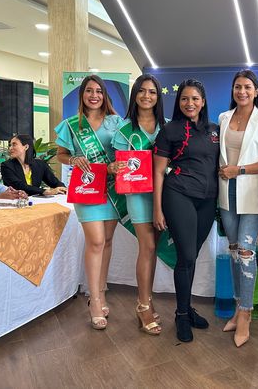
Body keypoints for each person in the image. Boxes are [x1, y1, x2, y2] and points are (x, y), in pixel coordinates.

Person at [55, 75, 126, 330]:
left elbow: (125, 150)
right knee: (95, 241)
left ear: (104, 95)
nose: (94, 96)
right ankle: (94, 299)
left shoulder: (116, 122)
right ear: (82, 95)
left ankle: (101, 291)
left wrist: (117, 164)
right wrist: (73, 160)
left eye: (98, 91)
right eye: (89, 91)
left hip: (111, 189)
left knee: (107, 241)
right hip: (87, 188)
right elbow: (61, 154)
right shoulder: (71, 124)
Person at [153, 79, 220, 343]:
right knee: (186, 255)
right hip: (178, 194)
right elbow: (159, 171)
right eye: (184, 98)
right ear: (178, 102)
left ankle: (187, 307)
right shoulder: (170, 130)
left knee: (192, 257)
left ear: (203, 102)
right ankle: (181, 314)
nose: (189, 103)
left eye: (195, 98)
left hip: (208, 200)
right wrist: (157, 209)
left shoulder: (214, 130)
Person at [218, 70, 258, 347]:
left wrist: (238, 169)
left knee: (245, 250)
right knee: (233, 250)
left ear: (256, 91)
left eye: (247, 87)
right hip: (226, 193)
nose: (242, 92)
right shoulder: (223, 117)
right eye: (237, 87)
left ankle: (246, 314)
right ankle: (237, 306)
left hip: (252, 193)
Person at [112, 74, 166, 335]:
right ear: (134, 95)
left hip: (164, 195)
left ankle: (148, 299)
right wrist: (115, 167)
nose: (147, 96)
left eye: (152, 92)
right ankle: (143, 305)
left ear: (158, 97)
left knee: (153, 248)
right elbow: (118, 164)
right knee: (148, 246)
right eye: (142, 91)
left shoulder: (167, 127)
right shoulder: (124, 130)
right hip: (138, 194)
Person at [0, 134, 66, 196]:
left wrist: (62, 188)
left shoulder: (40, 164)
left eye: (14, 145)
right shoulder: (6, 166)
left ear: (26, 147)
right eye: (10, 145)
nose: (10, 148)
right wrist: (45, 191)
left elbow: (54, 182)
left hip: (35, 201)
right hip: (16, 201)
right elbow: (18, 186)